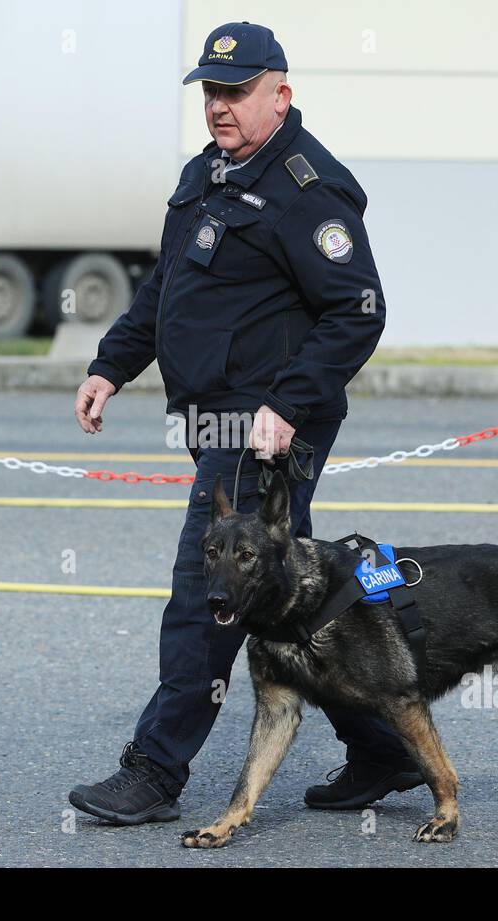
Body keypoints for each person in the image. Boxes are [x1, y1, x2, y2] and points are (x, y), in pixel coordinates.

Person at [68, 21, 421, 825]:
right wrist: (111, 364)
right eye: (211, 91)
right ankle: (383, 749)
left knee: (210, 588)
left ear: (280, 94)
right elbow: (167, 286)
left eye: (235, 91)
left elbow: (358, 310)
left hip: (259, 427)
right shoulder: (210, 173)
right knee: (297, 597)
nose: (219, 106)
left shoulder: (308, 189)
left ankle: (155, 770)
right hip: (215, 417)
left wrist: (286, 405)